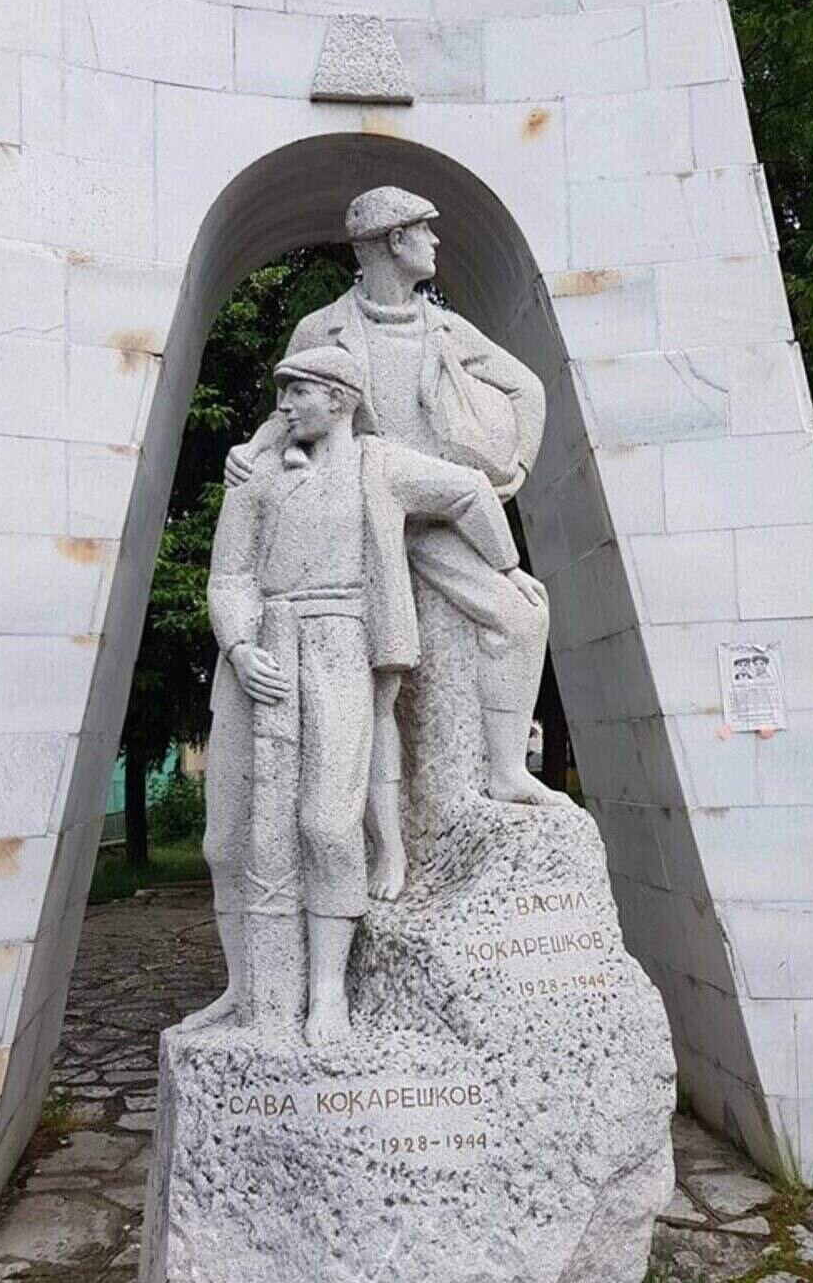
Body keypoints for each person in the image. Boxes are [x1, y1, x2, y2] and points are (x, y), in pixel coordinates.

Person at [203, 345, 544, 1043]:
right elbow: (229, 576)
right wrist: (238, 647)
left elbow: (469, 491)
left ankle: (327, 992)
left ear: (339, 398)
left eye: (298, 392)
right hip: (258, 654)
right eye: (282, 392)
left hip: (339, 648)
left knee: (329, 826)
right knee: (224, 840)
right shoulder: (257, 473)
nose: (283, 405)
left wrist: (506, 568)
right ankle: (243, 990)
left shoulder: (380, 464)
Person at [225, 186, 561, 824]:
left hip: (434, 516)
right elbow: (290, 409)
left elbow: (527, 388)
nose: (436, 242)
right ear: (394, 240)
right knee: (377, 680)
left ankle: (507, 772)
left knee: (521, 615)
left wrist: (513, 468)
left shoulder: (445, 328)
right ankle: (377, 840)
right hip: (354, 521)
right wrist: (253, 449)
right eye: (425, 230)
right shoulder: (321, 328)